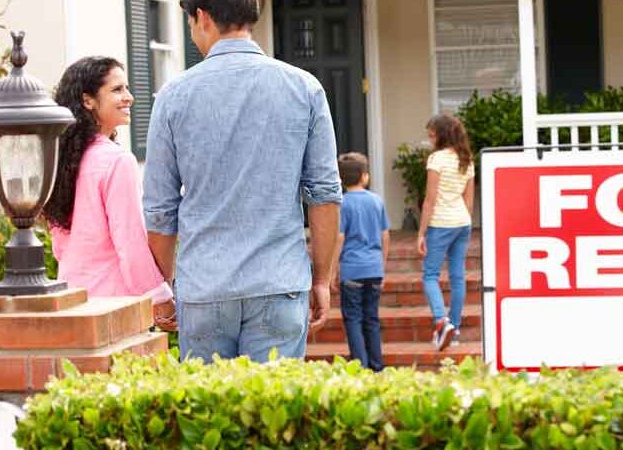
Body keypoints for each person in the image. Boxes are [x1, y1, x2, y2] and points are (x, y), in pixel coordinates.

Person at [143, 0, 341, 363]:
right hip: (279, 281)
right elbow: (325, 195)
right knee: (273, 415)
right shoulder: (305, 88)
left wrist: (166, 284)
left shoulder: (173, 97)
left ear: (201, 16)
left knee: (207, 415)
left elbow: (159, 210)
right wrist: (321, 278)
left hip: (204, 286)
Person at [44, 56, 176, 331]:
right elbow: (130, 242)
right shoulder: (116, 161)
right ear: (88, 100)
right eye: (117, 90)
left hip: (72, 299)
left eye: (127, 88)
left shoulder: (59, 160)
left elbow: (59, 244)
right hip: (115, 305)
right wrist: (160, 297)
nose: (129, 97)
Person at [417, 113, 475, 351]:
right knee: (457, 277)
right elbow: (469, 201)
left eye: (432, 134)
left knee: (430, 275)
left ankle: (442, 322)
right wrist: (464, 222)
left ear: (441, 134)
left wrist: (421, 233)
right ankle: (456, 328)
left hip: (440, 223)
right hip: (462, 222)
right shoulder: (466, 159)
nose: (430, 138)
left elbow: (430, 200)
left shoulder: (437, 159)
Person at [333, 153, 389, 372]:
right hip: (374, 268)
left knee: (353, 319)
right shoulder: (377, 201)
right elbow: (385, 235)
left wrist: (332, 270)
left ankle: (360, 366)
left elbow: (339, 238)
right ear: (365, 177)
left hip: (352, 269)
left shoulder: (343, 204)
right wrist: (382, 266)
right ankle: (377, 366)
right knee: (372, 319)